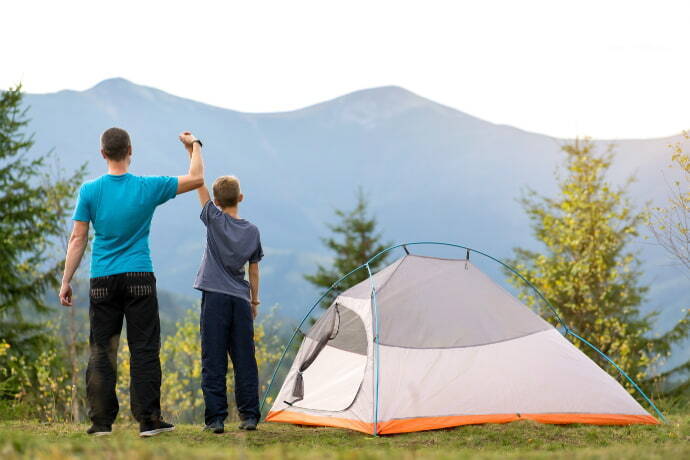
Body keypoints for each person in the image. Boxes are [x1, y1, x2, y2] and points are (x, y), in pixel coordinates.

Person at [59, 128, 204, 437]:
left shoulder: (89, 191)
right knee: (144, 349)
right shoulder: (147, 187)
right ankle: (149, 421)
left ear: (103, 153)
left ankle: (100, 423)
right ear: (130, 150)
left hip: (101, 280)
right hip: (139, 276)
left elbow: (77, 239)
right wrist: (194, 147)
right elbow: (196, 180)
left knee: (101, 351)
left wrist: (66, 280)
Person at [192, 172, 263, 434]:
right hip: (240, 301)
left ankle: (216, 420)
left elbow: (198, 181)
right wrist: (254, 300)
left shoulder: (213, 219)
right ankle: (249, 417)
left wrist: (193, 148)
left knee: (214, 358)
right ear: (240, 198)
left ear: (217, 202)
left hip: (214, 298)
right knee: (245, 359)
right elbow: (253, 271)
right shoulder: (252, 231)